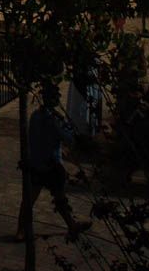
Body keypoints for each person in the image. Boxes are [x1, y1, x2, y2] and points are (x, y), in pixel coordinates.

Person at [15, 85, 92, 241]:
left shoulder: (36, 116)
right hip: (50, 163)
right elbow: (68, 139)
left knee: (36, 199)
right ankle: (69, 225)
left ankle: (22, 230)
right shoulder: (52, 119)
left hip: (37, 161)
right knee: (56, 197)